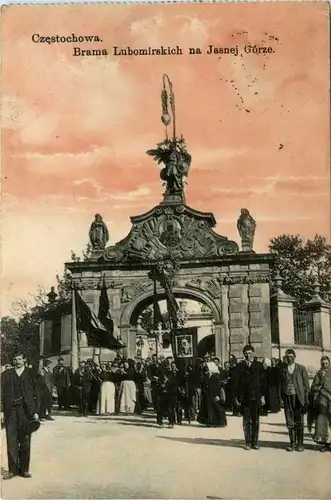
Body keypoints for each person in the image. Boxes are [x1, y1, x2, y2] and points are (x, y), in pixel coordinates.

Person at [1, 351, 39, 479]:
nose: (17, 361)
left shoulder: (31, 374)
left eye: (19, 359)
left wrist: (36, 411)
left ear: (24, 360)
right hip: (10, 411)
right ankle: (12, 470)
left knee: (25, 440)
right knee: (11, 440)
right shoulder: (6, 374)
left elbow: (38, 393)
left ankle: (24, 469)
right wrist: (1, 411)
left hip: (26, 411)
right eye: (15, 359)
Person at [233, 345, 266, 450]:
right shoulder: (239, 366)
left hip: (256, 397)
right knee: (246, 420)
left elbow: (263, 383)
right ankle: (247, 442)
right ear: (243, 354)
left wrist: (262, 396)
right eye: (246, 353)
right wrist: (236, 397)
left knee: (255, 420)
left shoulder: (259, 366)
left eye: (250, 353)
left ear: (253, 353)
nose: (248, 355)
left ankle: (255, 442)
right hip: (244, 397)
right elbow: (235, 383)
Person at [280, 348, 309, 452]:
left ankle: (300, 444)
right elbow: (281, 385)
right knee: (289, 421)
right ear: (286, 358)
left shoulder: (301, 368)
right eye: (288, 357)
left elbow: (306, 386)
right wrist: (281, 398)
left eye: (291, 357)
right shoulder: (283, 370)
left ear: (294, 357)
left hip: (298, 398)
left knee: (299, 421)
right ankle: (292, 444)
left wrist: (306, 401)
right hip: (287, 397)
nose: (290, 359)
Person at [309, 355, 331, 452]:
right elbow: (313, 387)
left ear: (329, 363)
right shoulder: (318, 373)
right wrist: (320, 387)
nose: (325, 365)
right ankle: (325, 443)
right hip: (322, 400)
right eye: (323, 363)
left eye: (326, 363)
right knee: (324, 422)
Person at [197, 362, 227, 428]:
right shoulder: (208, 376)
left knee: (215, 409)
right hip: (208, 395)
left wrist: (217, 395)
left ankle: (217, 422)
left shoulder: (215, 377)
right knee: (209, 410)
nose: (206, 369)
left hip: (213, 395)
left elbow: (217, 387)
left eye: (208, 368)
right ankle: (210, 422)